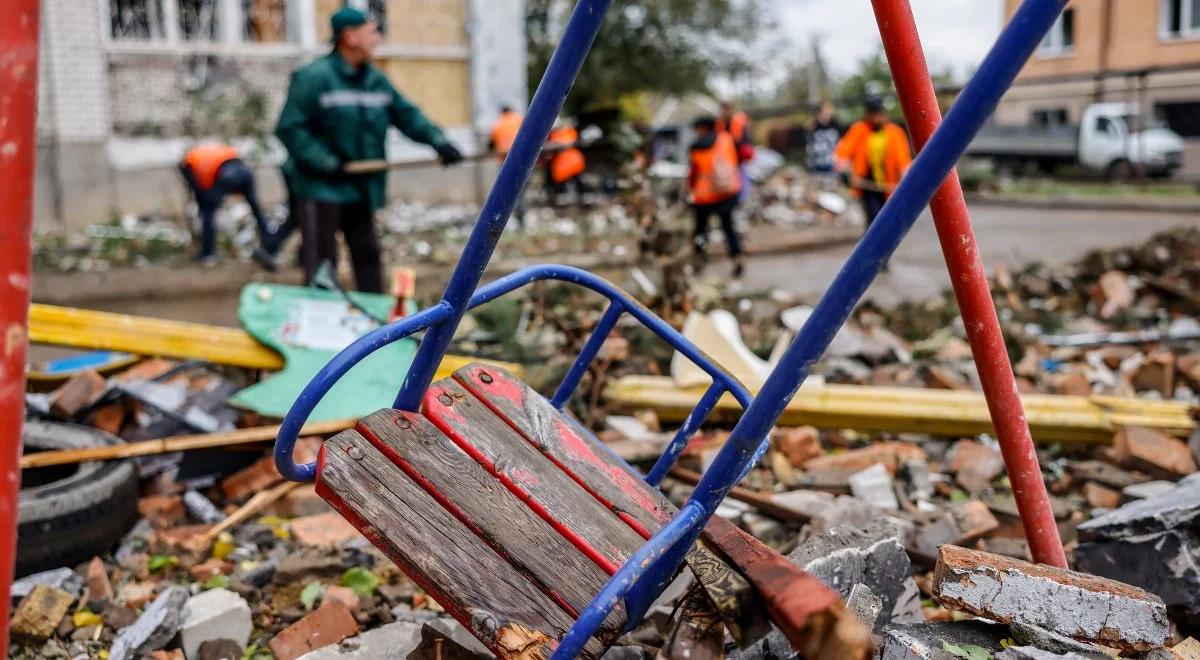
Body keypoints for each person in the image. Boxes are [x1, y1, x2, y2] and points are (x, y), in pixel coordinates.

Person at [274, 7, 464, 293]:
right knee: (322, 264)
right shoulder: (314, 77)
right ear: (350, 37)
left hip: (361, 187)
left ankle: (378, 330)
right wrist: (326, 162)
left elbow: (407, 115)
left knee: (368, 257)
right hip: (320, 188)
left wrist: (438, 141)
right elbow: (290, 128)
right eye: (372, 31)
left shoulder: (375, 79)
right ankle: (319, 323)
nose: (377, 38)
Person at [178, 142, 274, 265]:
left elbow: (197, 189)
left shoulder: (187, 163)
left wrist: (204, 200)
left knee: (207, 212)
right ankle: (271, 246)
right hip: (245, 171)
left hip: (227, 174)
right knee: (256, 209)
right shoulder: (206, 153)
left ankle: (208, 253)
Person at [834, 97, 912, 231]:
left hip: (889, 184)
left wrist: (905, 181)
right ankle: (874, 247)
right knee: (874, 217)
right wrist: (844, 171)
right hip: (867, 184)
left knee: (889, 218)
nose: (876, 118)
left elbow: (903, 160)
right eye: (873, 114)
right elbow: (843, 153)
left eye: (878, 114)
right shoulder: (859, 130)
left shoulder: (894, 132)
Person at [688, 116, 745, 278]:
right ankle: (737, 257)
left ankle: (699, 260)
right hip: (727, 192)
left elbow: (694, 172)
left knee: (701, 229)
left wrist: (689, 190)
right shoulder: (727, 139)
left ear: (702, 128)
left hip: (704, 196)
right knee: (728, 227)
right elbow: (740, 158)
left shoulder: (696, 146)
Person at [545, 120, 585, 204]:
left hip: (568, 162)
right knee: (574, 178)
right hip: (571, 162)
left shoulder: (565, 133)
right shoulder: (559, 133)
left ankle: (579, 193)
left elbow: (567, 143)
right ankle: (578, 192)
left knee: (570, 178)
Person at [807, 101, 843, 179]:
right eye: (824, 112)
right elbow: (808, 144)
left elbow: (841, 143)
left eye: (829, 113)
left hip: (831, 164)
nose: (826, 115)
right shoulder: (814, 126)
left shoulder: (835, 125)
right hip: (816, 164)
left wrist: (840, 161)